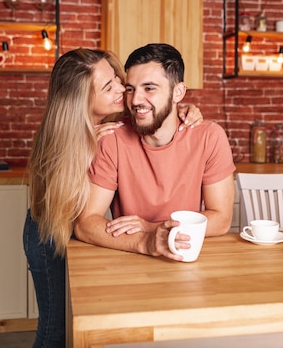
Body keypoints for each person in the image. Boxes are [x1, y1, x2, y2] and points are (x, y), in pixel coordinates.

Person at [23, 47, 203, 348]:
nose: (123, 89)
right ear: (82, 99)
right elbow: (60, 205)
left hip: (81, 234)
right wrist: (88, 145)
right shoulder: (66, 136)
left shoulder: (115, 118)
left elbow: (155, 109)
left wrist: (185, 108)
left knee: (81, 323)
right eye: (110, 87)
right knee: (55, 326)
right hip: (49, 234)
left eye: (119, 79)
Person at [74, 43, 235, 260]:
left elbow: (222, 219)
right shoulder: (111, 139)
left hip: (187, 257)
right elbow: (85, 224)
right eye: (130, 89)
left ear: (178, 92)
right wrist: (145, 241)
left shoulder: (209, 136)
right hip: (130, 258)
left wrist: (151, 228)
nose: (136, 100)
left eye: (149, 88)